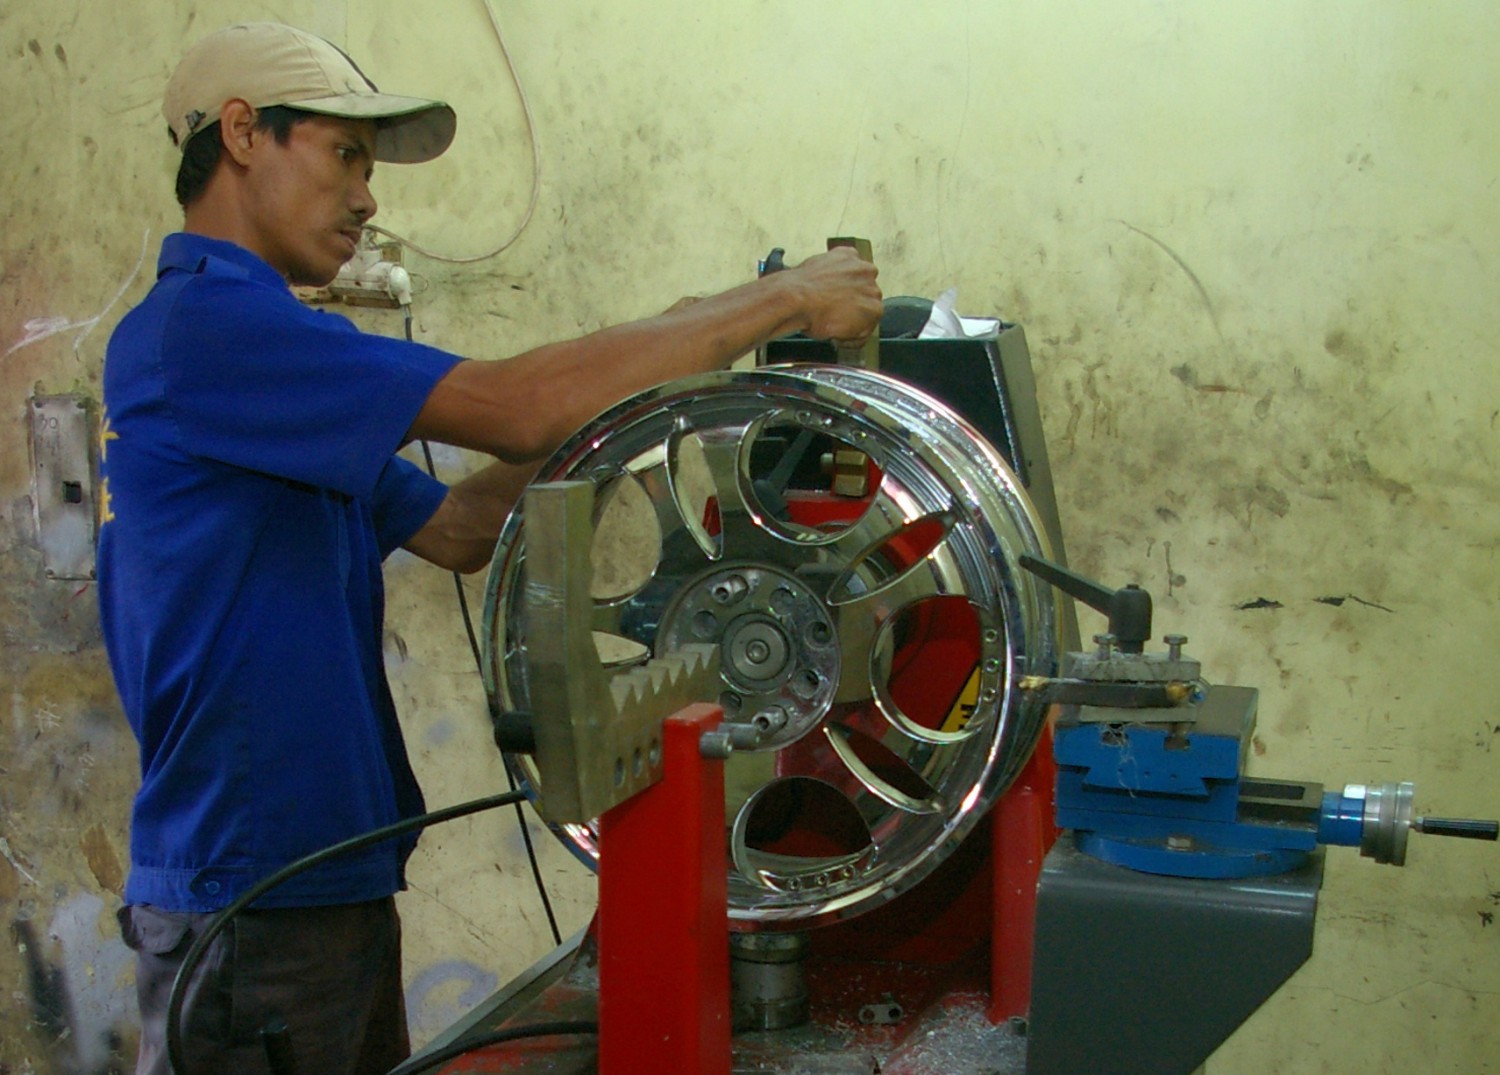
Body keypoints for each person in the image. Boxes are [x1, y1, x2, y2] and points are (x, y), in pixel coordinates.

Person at [99, 21, 881, 1075]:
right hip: (254, 896)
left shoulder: (276, 368)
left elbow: (463, 528)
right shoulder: (210, 330)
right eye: (345, 155)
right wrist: (778, 300)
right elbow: (516, 410)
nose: (369, 198)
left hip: (322, 885)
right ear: (244, 133)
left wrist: (661, 359)